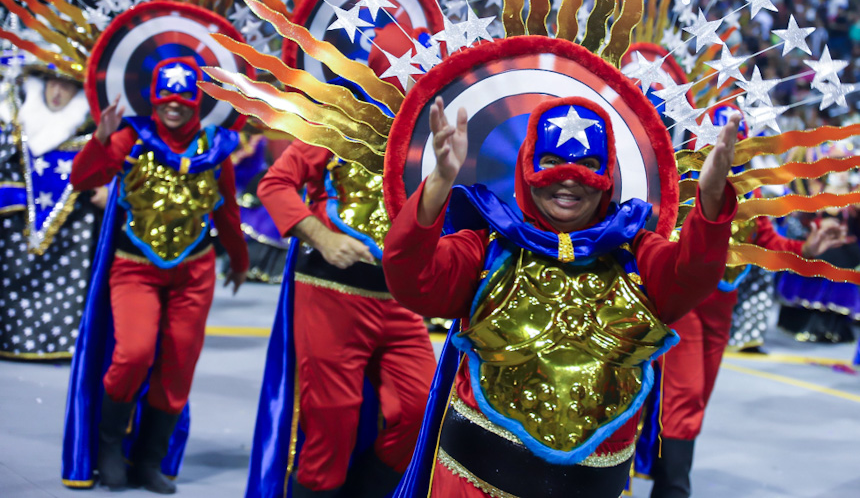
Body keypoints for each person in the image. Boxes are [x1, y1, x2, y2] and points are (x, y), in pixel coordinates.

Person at [382, 95, 743, 497]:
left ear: (608, 174)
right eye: (552, 163)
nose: (569, 178)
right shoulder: (488, 248)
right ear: (526, 166)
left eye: (588, 166)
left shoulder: (635, 252)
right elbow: (412, 279)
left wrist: (710, 204)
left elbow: (690, 277)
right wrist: (438, 184)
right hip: (472, 485)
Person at [67, 57, 248, 493]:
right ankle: (109, 447)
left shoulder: (216, 146)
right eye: (166, 97)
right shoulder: (132, 137)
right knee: (133, 354)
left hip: (195, 271)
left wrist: (239, 260)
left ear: (197, 101)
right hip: (135, 267)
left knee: (179, 365)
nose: (174, 106)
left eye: (184, 98)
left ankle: (148, 460)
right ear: (154, 98)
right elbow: (82, 178)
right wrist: (101, 139)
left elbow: (225, 208)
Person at [649, 110, 851, 498]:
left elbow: (769, 243)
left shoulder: (750, 193)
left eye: (738, 142)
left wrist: (808, 249)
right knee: (684, 395)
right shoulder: (677, 182)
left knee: (698, 397)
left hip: (722, 307)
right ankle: (674, 488)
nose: (729, 149)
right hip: (684, 307)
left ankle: (669, 480)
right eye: (721, 139)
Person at [252, 89, 437, 497]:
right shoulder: (336, 123)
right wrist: (319, 236)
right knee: (330, 423)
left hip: (399, 300)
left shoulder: (432, 134)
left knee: (422, 413)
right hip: (330, 293)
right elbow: (276, 184)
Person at [0, 66, 103, 360]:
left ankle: (62, 342)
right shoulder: (13, 120)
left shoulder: (92, 130)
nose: (57, 93)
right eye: (53, 84)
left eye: (67, 86)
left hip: (73, 230)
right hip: (16, 225)